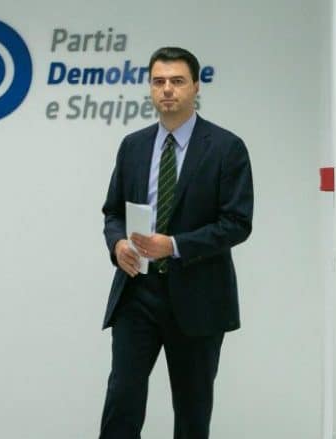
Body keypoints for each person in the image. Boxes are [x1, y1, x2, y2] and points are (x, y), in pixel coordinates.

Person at [99, 47, 254, 439]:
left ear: (196, 87)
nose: (167, 89)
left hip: (198, 296)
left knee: (191, 413)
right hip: (137, 293)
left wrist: (175, 245)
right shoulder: (133, 146)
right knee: (121, 402)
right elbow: (113, 212)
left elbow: (237, 223)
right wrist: (118, 245)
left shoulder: (226, 148)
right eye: (159, 81)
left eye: (177, 81)